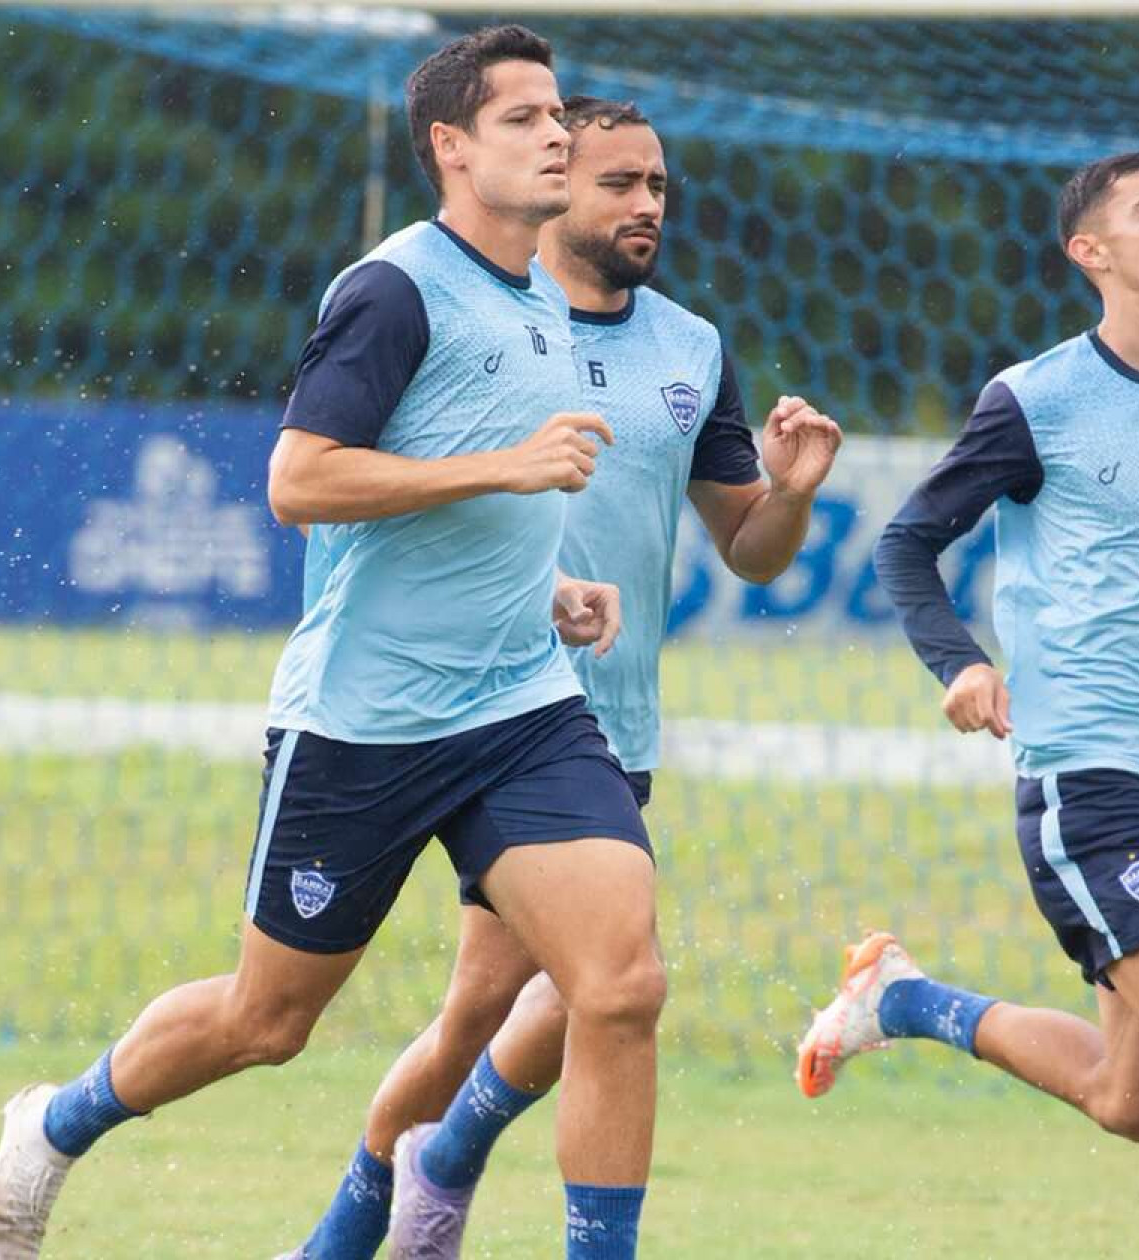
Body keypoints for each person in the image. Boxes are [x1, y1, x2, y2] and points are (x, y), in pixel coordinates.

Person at [0, 28, 668, 1259]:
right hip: (366, 723)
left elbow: (468, 491)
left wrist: (550, 583)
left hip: (520, 708)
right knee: (267, 1021)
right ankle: (56, 1122)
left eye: (560, 115)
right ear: (451, 147)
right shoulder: (394, 289)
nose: (558, 135)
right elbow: (300, 481)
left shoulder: (542, 299)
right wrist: (508, 469)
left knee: (619, 986)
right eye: (525, 119)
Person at [282, 95, 843, 1260]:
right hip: (467, 708)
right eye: (617, 184)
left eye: (658, 188)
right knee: (559, 992)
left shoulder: (691, 348)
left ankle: (429, 1169)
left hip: (607, 722)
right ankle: (378, 1212)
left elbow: (749, 548)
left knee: (546, 996)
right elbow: (320, 477)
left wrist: (787, 495)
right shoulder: (468, 316)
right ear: (544, 187)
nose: (646, 206)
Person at [800, 151, 1139, 1260]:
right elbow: (907, 544)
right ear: (1092, 253)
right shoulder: (1035, 401)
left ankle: (902, 1002)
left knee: (1138, 1094)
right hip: (1088, 766)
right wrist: (961, 665)